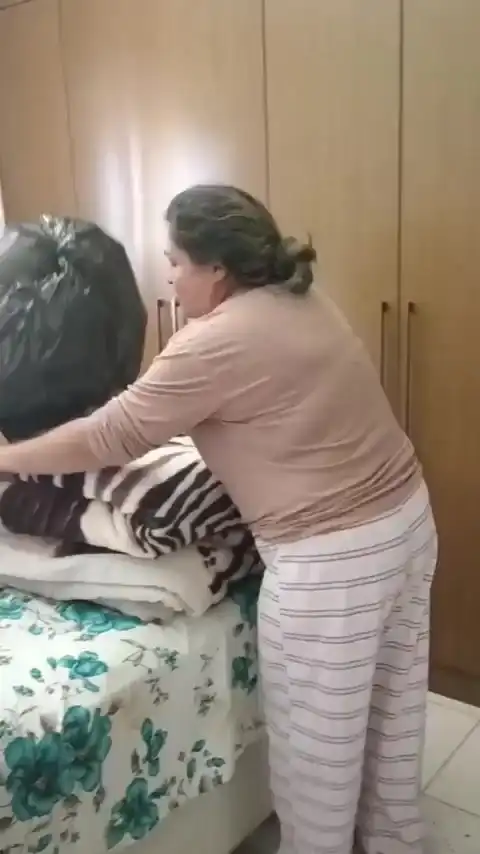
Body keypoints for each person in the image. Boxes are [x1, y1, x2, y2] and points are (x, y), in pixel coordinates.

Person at [0, 185, 437, 854]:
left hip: (333, 565)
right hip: (407, 521)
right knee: (393, 717)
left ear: (217, 268)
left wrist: (8, 458)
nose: (169, 278)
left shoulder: (214, 341)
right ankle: (396, 841)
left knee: (316, 760)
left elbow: (113, 435)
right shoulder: (298, 297)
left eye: (175, 262)